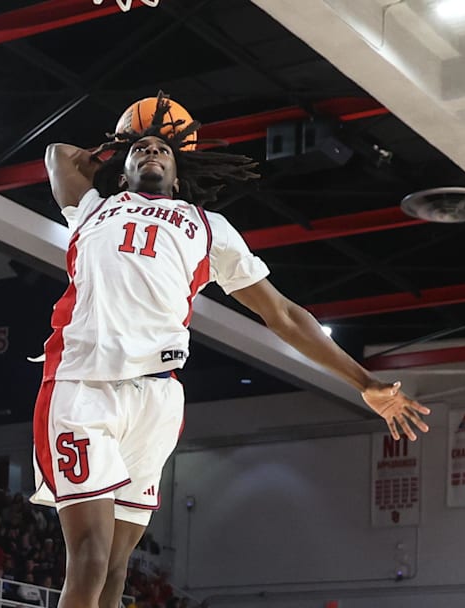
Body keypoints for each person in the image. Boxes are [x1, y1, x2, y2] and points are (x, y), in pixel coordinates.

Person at [34, 93, 431, 608]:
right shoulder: (91, 210)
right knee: (88, 555)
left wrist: (365, 382)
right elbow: (59, 154)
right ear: (123, 167)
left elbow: (283, 315)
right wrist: (123, 140)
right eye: (141, 151)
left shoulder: (209, 229)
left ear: (178, 175)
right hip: (82, 388)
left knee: (114, 570)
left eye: (162, 150)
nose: (151, 152)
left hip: (155, 400)